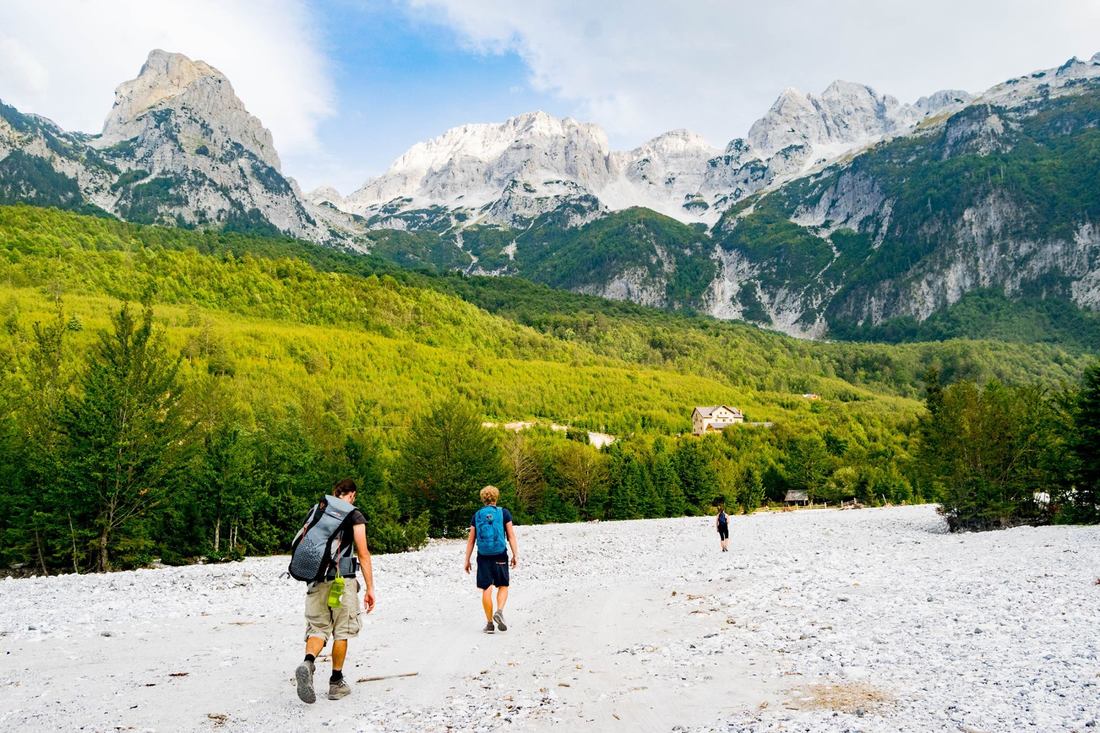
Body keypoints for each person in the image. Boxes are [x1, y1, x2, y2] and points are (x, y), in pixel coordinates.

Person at [294, 478, 376, 704]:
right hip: (342, 582)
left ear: (336, 492)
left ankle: (308, 662)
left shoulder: (317, 510)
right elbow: (363, 553)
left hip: (315, 580)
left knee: (318, 628)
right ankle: (335, 682)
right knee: (342, 630)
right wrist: (370, 588)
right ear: (352, 495)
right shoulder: (354, 515)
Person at [464, 485, 518, 633]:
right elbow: (511, 536)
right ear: (496, 497)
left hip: (483, 556)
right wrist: (515, 555)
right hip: (500, 554)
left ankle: (489, 624)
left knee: (486, 589)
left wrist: (467, 560)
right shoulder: (504, 513)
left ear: (483, 499)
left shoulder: (477, 515)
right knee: (503, 585)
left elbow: (471, 540)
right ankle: (499, 611)